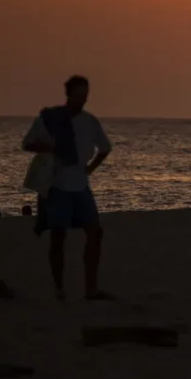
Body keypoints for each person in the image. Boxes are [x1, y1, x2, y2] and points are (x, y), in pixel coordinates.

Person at [21, 75, 112, 300]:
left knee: (95, 232)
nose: (83, 99)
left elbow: (105, 148)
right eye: (79, 95)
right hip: (58, 186)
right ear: (69, 94)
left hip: (81, 186)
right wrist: (49, 147)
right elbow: (27, 144)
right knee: (58, 236)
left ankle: (91, 289)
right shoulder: (50, 119)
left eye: (85, 95)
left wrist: (90, 169)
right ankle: (59, 289)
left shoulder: (90, 121)